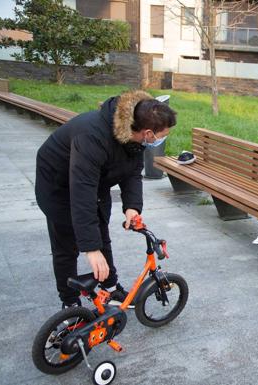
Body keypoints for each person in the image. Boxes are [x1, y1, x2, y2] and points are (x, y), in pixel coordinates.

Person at [35, 90, 177, 309]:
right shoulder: (92, 137)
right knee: (67, 245)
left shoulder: (133, 131)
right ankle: (70, 302)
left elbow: (132, 170)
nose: (162, 139)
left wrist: (132, 207)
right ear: (148, 133)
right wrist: (90, 249)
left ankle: (109, 288)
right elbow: (82, 194)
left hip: (96, 179)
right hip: (58, 183)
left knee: (101, 231)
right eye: (162, 135)